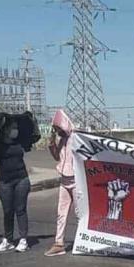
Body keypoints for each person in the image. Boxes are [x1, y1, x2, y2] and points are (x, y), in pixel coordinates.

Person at [0, 118, 31, 252]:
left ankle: (23, 239)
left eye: (16, 127)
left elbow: (32, 137)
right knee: (7, 211)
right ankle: (8, 239)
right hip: (4, 180)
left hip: (21, 178)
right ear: (6, 129)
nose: (15, 130)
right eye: (13, 127)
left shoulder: (20, 140)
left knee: (20, 209)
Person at [45, 109, 78, 256]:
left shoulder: (77, 138)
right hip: (64, 180)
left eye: (58, 128)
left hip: (77, 181)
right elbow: (57, 157)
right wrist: (52, 143)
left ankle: (82, 240)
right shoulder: (62, 139)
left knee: (79, 213)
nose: (57, 131)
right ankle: (59, 243)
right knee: (61, 212)